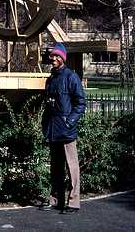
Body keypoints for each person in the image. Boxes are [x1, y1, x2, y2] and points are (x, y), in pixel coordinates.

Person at [40, 43, 86, 214]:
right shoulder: (50, 79)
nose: (52, 59)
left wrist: (70, 122)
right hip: (53, 129)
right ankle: (55, 200)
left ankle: (73, 203)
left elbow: (80, 103)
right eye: (51, 56)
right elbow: (48, 104)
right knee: (55, 167)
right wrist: (45, 125)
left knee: (72, 167)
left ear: (62, 58)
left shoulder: (71, 77)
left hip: (66, 130)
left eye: (56, 56)